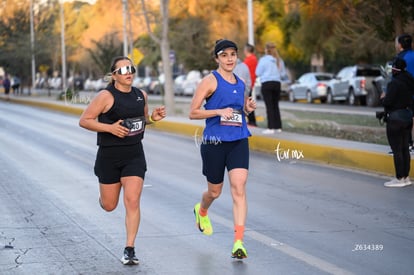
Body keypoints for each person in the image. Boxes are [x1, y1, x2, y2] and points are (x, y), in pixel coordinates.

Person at [79, 56, 166, 265]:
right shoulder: (106, 96)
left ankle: (129, 248)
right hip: (109, 156)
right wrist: (110, 128)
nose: (129, 72)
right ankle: (103, 198)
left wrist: (152, 118)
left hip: (134, 154)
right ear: (114, 75)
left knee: (133, 200)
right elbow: (84, 120)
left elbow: (141, 121)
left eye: (131, 68)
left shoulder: (141, 95)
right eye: (124, 69)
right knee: (110, 205)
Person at [189, 39, 256, 259]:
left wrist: (246, 109)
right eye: (224, 55)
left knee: (239, 188)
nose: (229, 59)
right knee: (215, 192)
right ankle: (202, 210)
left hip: (238, 140)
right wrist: (217, 112)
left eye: (233, 54)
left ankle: (239, 242)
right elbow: (193, 112)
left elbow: (237, 113)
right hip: (215, 144)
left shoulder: (240, 82)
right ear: (217, 58)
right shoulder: (210, 81)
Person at [382, 58, 414, 187]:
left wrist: (383, 99)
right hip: (407, 116)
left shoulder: (394, 83)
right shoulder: (409, 80)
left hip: (395, 119)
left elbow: (388, 102)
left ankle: (399, 178)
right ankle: (406, 177)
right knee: (405, 148)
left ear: (395, 68)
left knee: (397, 149)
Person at [255, 42, 286, 134]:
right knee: (275, 105)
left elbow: (257, 72)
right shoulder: (279, 60)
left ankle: (271, 127)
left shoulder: (263, 60)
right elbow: (283, 74)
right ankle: (278, 127)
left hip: (267, 84)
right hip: (277, 83)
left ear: (266, 50)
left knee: (269, 106)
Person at [395, 34, 414, 150]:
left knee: (403, 119)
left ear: (400, 44)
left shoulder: (400, 58)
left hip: (405, 93)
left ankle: (407, 143)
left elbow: (395, 77)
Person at [243, 43, 258, 126]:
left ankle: (252, 121)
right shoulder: (254, 59)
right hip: (251, 83)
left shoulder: (248, 60)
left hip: (247, 84)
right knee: (247, 102)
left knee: (247, 102)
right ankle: (251, 120)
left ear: (247, 50)